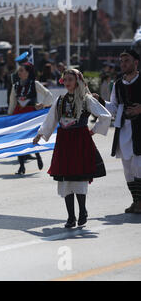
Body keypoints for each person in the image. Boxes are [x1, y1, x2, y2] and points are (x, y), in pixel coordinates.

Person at [33, 69, 111, 228]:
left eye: (70, 79)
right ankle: (70, 217)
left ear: (77, 81)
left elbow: (105, 115)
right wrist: (40, 134)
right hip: (64, 142)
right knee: (65, 179)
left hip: (80, 141)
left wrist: (94, 130)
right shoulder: (60, 100)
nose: (67, 82)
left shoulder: (86, 99)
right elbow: (51, 119)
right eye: (65, 79)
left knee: (79, 178)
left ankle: (82, 212)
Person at [94, 50, 141, 214]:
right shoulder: (118, 84)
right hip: (124, 130)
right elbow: (113, 107)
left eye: (126, 61)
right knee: (128, 168)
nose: (123, 64)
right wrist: (99, 101)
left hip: (140, 130)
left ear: (136, 62)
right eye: (121, 62)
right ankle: (136, 201)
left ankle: (140, 202)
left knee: (138, 166)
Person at [8, 62, 53, 175]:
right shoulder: (15, 85)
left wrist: (42, 104)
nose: (20, 72)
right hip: (19, 114)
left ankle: (37, 155)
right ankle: (21, 166)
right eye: (19, 70)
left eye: (22, 70)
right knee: (19, 140)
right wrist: (9, 117)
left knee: (33, 137)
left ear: (28, 72)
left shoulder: (35, 84)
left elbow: (49, 95)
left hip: (31, 115)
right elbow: (12, 102)